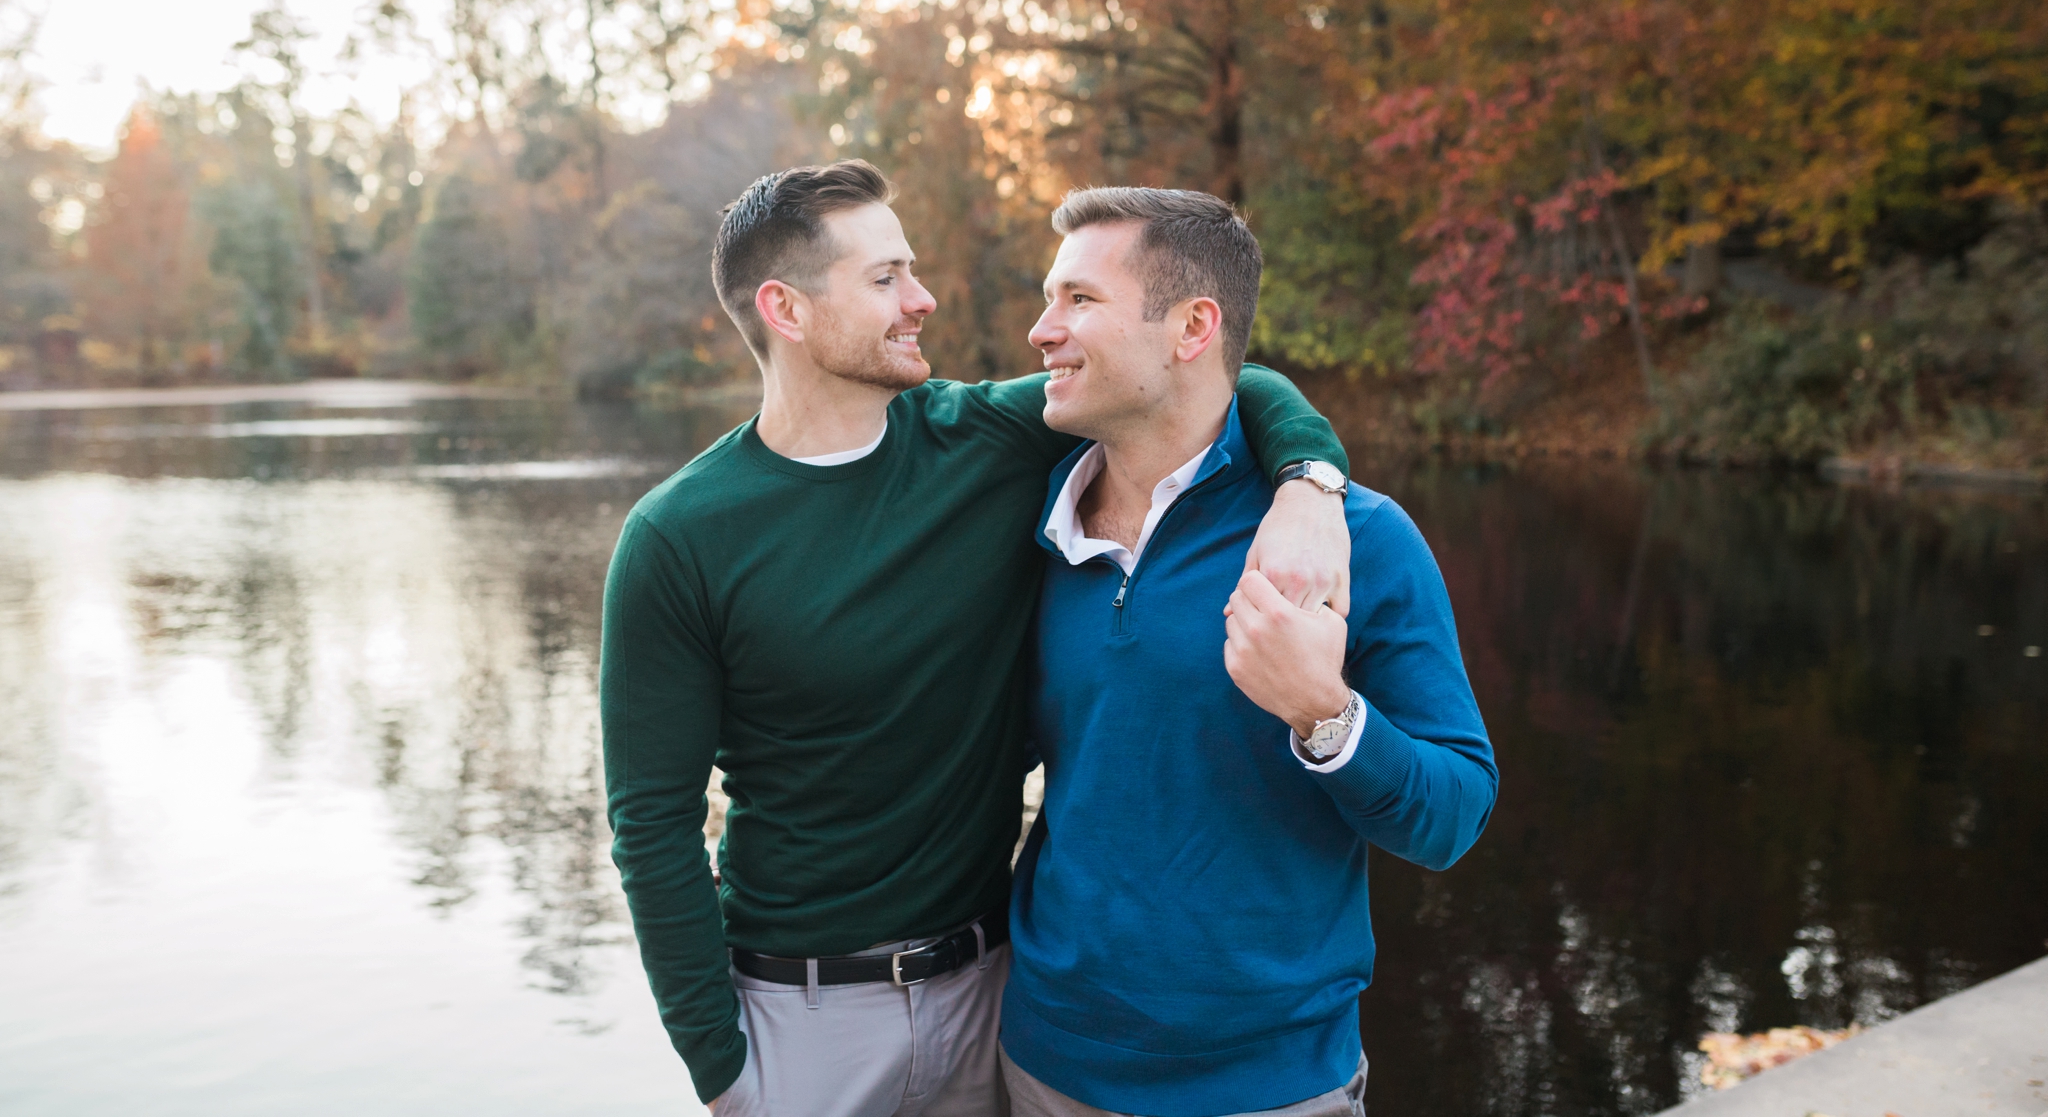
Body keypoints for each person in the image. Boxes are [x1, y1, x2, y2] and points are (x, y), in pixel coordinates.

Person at [600, 160, 1358, 1117]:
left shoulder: (982, 441)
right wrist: (723, 1069)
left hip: (993, 1000)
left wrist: (1308, 485)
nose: (921, 300)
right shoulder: (678, 537)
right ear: (786, 310)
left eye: (910, 269)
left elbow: (1211, 368)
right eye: (884, 280)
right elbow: (651, 825)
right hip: (800, 1023)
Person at [1000, 187, 1499, 1117]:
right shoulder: (1020, 518)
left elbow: (1455, 813)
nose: (1041, 330)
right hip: (1042, 1066)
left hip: (1269, 1089)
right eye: (1048, 297)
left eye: (1079, 300)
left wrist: (1324, 713)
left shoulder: (1359, 542)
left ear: (1192, 327)